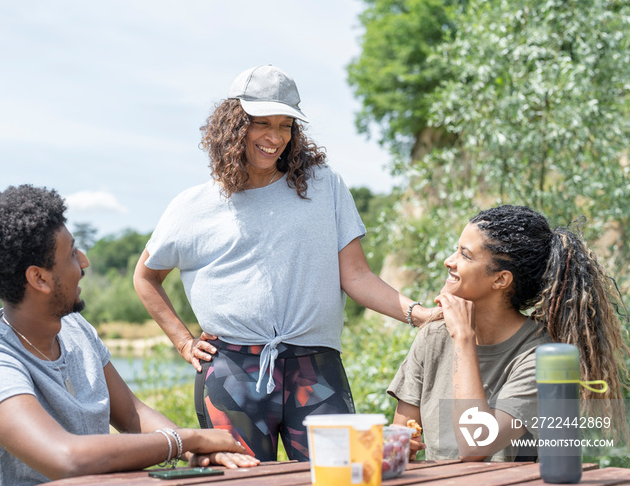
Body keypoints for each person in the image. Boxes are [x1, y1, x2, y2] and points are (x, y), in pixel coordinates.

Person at [133, 64, 435, 462]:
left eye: (286, 125)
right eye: (262, 123)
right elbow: (145, 277)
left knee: (338, 482)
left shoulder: (324, 187)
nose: (275, 138)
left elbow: (357, 276)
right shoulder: (192, 207)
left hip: (316, 366)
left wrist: (420, 314)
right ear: (233, 123)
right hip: (231, 371)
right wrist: (183, 341)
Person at [0, 185, 259, 486]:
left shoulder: (76, 330)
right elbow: (65, 458)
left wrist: (193, 452)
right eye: (72, 253)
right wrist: (185, 440)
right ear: (39, 278)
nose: (83, 261)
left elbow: (130, 412)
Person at [388, 205, 630, 461]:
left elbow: (475, 445)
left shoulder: (539, 355)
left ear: (501, 280)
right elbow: (400, 437)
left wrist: (464, 338)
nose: (449, 261)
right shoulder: (433, 337)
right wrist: (400, 445)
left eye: (465, 255)